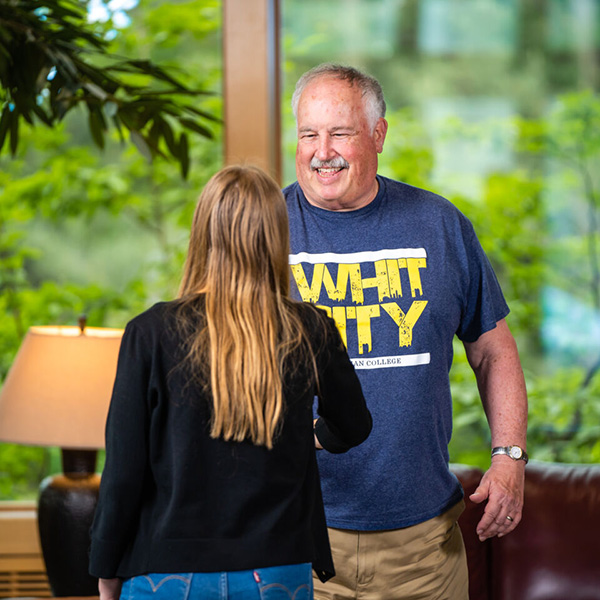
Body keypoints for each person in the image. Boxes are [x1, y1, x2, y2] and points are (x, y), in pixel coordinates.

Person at [284, 63, 528, 600]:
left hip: (423, 552)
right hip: (295, 540)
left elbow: (493, 351)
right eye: (308, 134)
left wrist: (508, 457)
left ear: (378, 134)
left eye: (340, 132)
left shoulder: (438, 225)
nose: (322, 150)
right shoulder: (266, 230)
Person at [88, 165, 372, 600]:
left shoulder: (150, 332)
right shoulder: (309, 328)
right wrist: (308, 435)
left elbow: (125, 470)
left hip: (166, 572)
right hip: (277, 569)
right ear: (276, 237)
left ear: (202, 232)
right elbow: (354, 425)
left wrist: (106, 570)